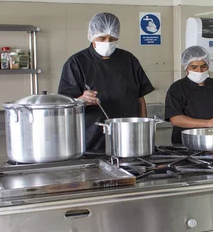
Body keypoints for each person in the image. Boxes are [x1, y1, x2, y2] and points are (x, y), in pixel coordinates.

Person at [58, 12, 155, 152]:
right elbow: (65, 104)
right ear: (92, 36)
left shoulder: (129, 60)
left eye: (112, 38)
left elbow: (140, 97)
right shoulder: (76, 63)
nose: (107, 43)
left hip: (129, 137)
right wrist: (81, 99)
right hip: (92, 138)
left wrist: (144, 127)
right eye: (102, 38)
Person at [164, 45, 213, 145]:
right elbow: (175, 119)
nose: (199, 71)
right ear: (186, 68)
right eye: (194, 67)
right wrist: (208, 123)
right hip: (185, 143)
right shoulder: (177, 88)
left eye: (203, 66)